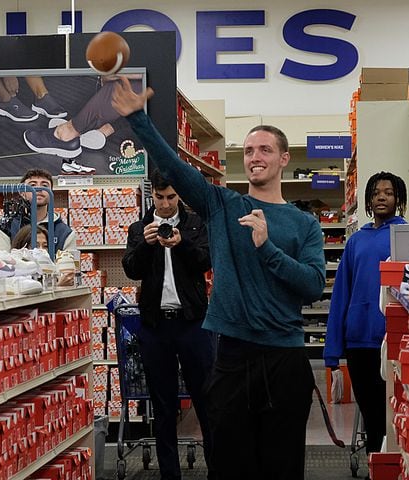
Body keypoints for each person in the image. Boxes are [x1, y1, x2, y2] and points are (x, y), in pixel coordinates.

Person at [111, 77, 326, 479]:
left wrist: (267, 248)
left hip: (285, 359)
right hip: (232, 358)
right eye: (248, 150)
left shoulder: (304, 224)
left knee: (282, 466)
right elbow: (175, 166)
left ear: (283, 158)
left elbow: (312, 285)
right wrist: (138, 119)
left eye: (265, 148)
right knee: (228, 464)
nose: (255, 155)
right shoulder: (222, 205)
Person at [122, 169, 215, 480]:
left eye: (171, 197)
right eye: (159, 197)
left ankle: (217, 470)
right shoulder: (139, 228)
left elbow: (205, 260)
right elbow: (132, 270)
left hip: (192, 324)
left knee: (206, 402)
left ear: (179, 196)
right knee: (163, 407)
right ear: (152, 195)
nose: (164, 204)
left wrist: (182, 243)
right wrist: (147, 244)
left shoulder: (194, 223)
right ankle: (169, 475)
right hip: (155, 326)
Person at [324, 172, 408, 454]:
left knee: (393, 417)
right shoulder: (356, 242)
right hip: (359, 343)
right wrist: (332, 352)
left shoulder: (404, 235)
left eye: (388, 192)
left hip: (394, 342)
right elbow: (340, 297)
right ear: (369, 200)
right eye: (376, 193)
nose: (382, 196)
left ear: (398, 199)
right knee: (373, 418)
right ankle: (377, 466)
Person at [17, 168, 76, 251]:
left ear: (51, 192)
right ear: (22, 193)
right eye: (32, 185)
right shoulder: (7, 227)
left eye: (45, 186)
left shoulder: (65, 233)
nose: (39, 189)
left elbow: (69, 263)